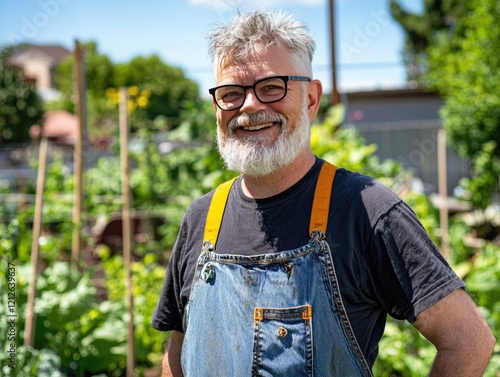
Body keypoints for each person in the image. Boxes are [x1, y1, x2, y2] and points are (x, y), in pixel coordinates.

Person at [151, 9, 495, 377]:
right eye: (232, 93)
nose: (250, 106)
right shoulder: (202, 218)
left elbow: (468, 341)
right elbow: (178, 355)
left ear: (311, 99)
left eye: (271, 87)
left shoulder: (366, 210)